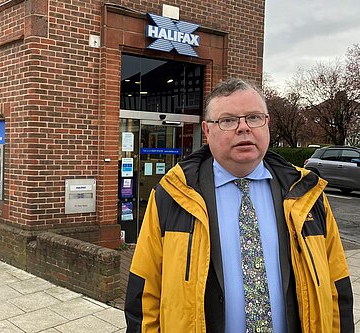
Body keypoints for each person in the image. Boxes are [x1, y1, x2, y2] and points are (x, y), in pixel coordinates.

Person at [124, 78, 354, 332]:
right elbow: (144, 296)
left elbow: (337, 288)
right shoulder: (171, 196)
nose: (243, 128)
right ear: (207, 130)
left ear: (267, 124)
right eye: (228, 120)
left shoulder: (308, 195)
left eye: (254, 117)